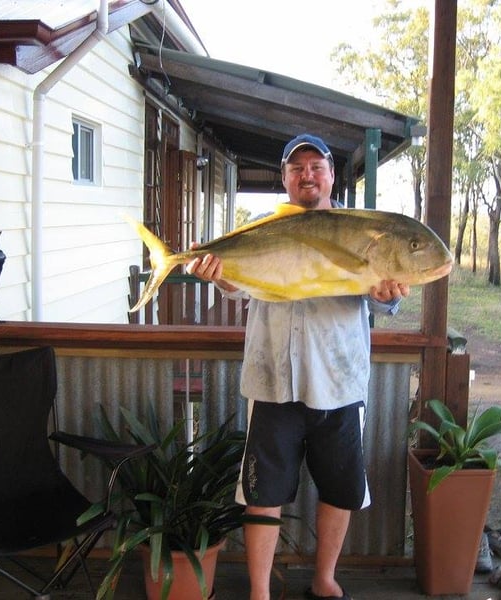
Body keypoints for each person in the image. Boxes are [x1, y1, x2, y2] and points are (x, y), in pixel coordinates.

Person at [188, 133, 409, 600]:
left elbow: (382, 298)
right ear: (285, 178)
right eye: (297, 167)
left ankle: (325, 577)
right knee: (262, 493)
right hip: (273, 382)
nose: (307, 174)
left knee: (340, 488)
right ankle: (260, 592)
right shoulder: (262, 229)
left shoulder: (360, 231)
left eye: (316, 166)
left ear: (331, 174)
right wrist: (219, 275)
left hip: (338, 380)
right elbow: (238, 288)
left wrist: (386, 298)